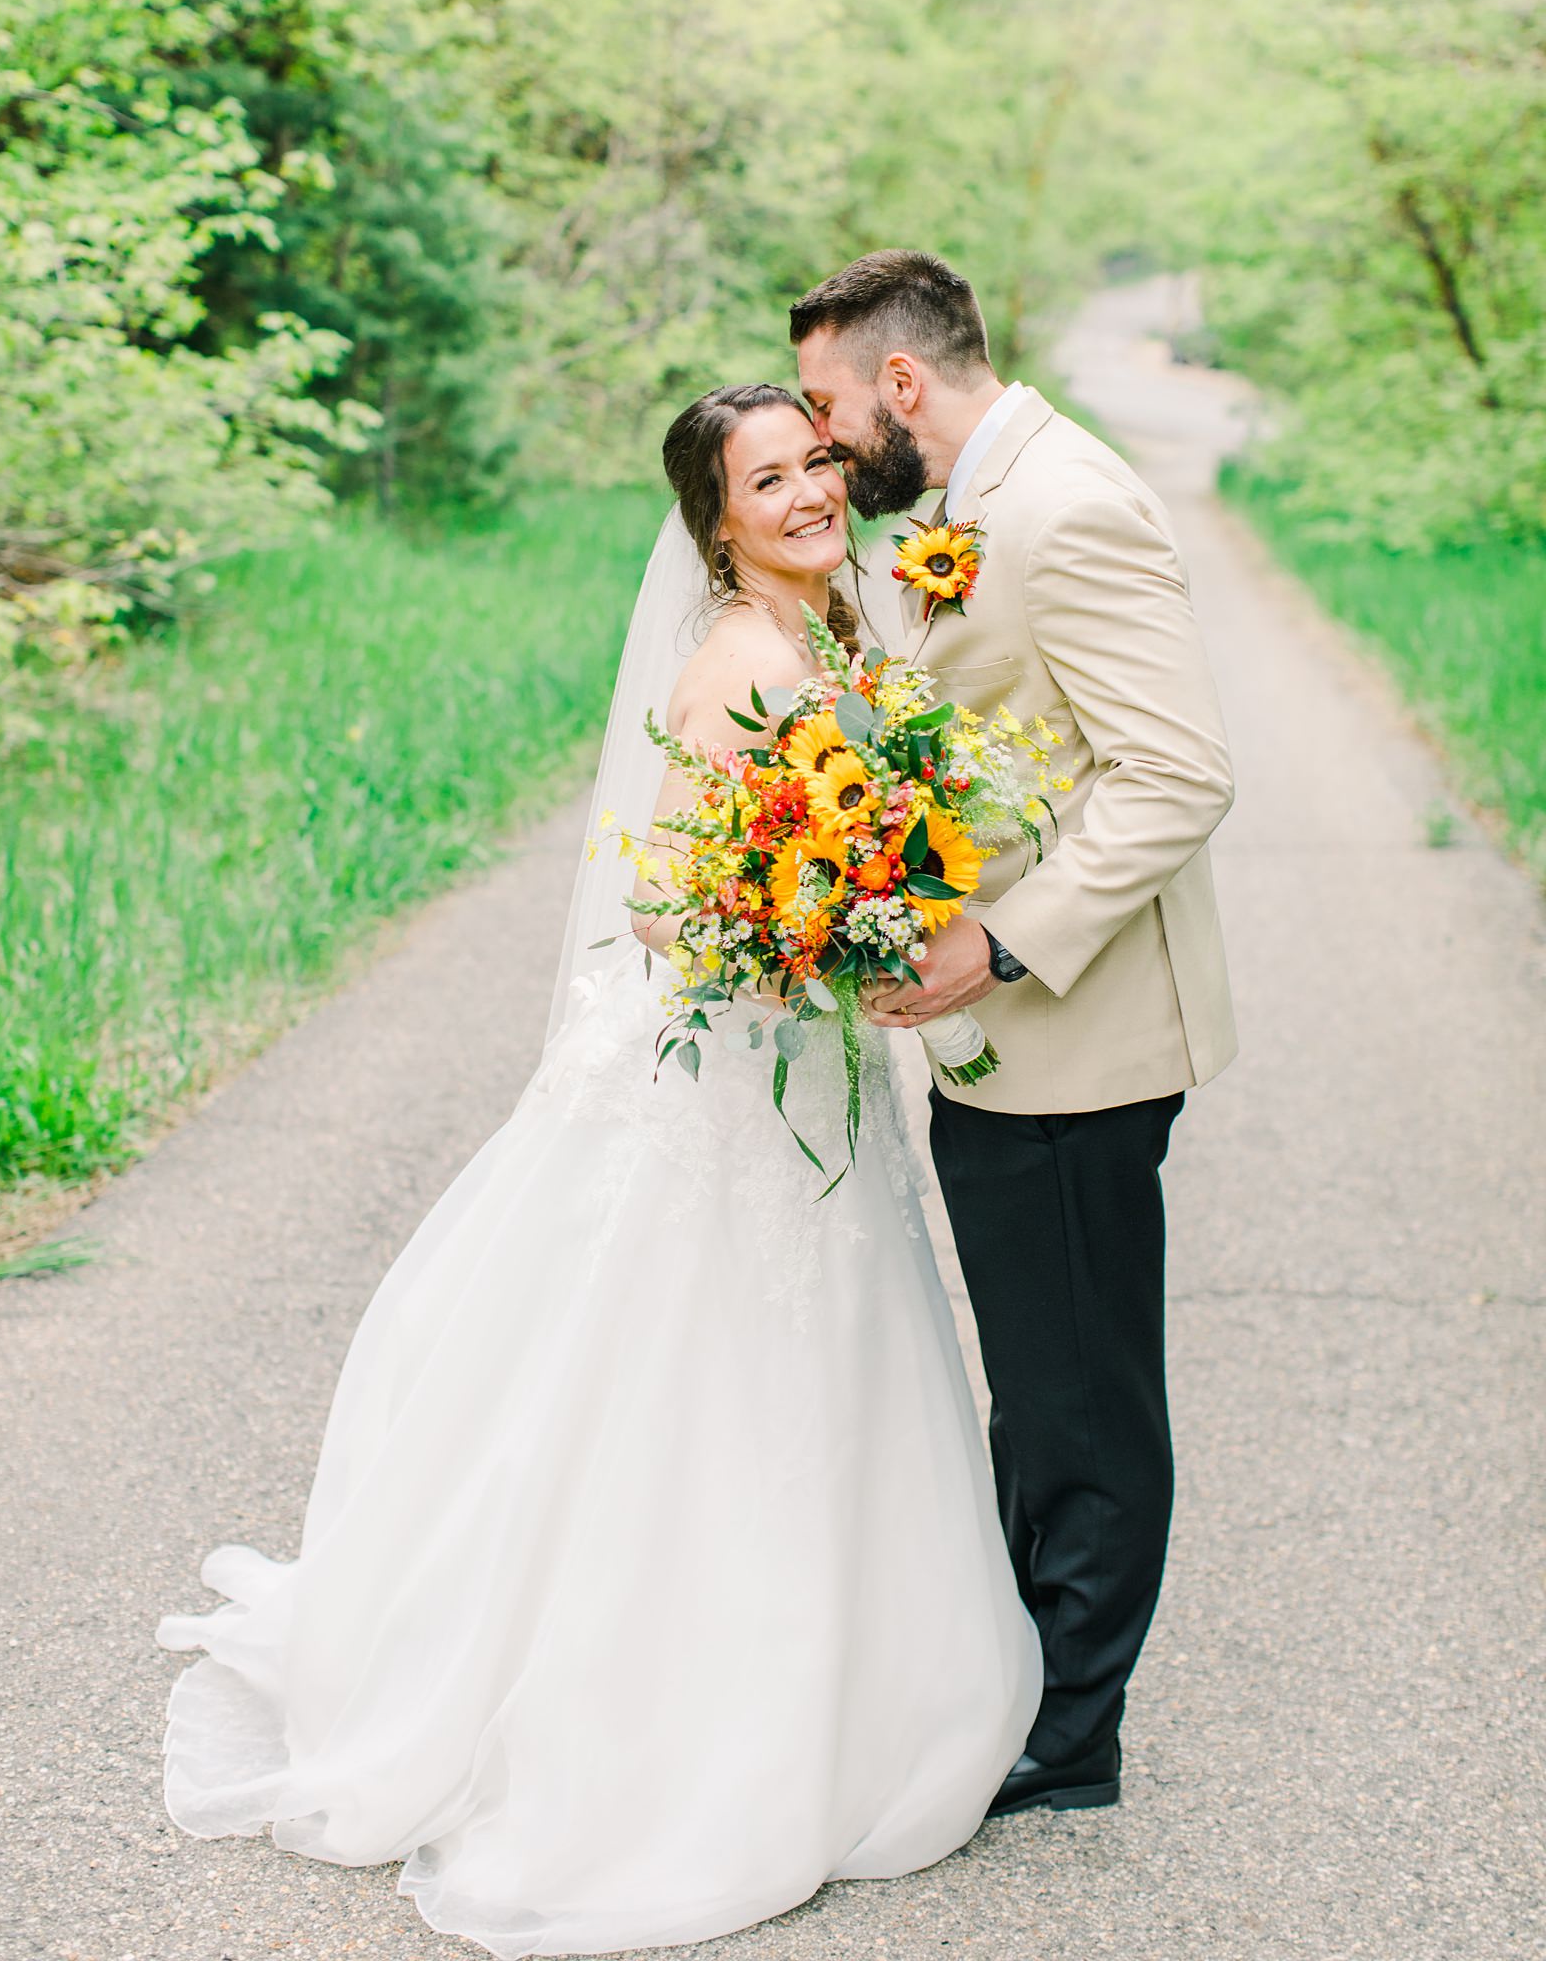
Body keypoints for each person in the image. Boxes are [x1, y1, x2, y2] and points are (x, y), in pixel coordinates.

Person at [157, 381, 1042, 1959]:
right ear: (715, 521)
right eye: (766, 481)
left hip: (806, 1070)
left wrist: (875, 894)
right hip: (724, 1082)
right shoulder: (738, 665)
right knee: (684, 1378)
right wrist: (809, 935)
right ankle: (659, 1730)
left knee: (828, 1371)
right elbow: (657, 908)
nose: (807, 494)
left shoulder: (846, 641)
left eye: (816, 463)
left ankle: (859, 1688)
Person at [794, 249, 1237, 1817]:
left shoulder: (1070, 506)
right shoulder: (970, 511)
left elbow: (1176, 773)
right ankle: (1026, 1686)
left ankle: (1069, 1739)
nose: (826, 435)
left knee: (1082, 1393)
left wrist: (1002, 941)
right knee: (1040, 1378)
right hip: (1008, 1038)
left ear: (902, 384)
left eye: (833, 406)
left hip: (1079, 1028)